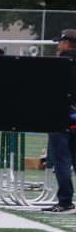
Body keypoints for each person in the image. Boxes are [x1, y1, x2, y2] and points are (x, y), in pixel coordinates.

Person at [42, 29, 76, 214]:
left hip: (61, 119)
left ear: (66, 43)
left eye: (60, 42)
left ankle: (65, 201)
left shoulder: (59, 64)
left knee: (61, 162)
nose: (58, 45)